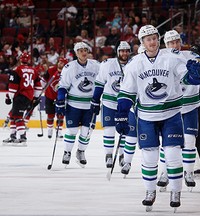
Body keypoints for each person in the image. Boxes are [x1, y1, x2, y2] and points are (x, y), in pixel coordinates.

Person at [114, 25, 191, 211]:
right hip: (146, 116)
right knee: (150, 156)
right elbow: (127, 93)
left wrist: (194, 75)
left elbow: (186, 77)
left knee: (172, 154)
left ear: (159, 39)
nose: (152, 41)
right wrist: (121, 114)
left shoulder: (172, 58)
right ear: (142, 43)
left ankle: (175, 190)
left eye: (155, 38)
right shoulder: (135, 64)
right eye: (148, 39)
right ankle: (150, 191)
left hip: (171, 114)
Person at [157, 30, 200, 190]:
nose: (174, 45)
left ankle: (188, 172)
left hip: (190, 106)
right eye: (170, 42)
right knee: (168, 143)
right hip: (171, 108)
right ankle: (164, 172)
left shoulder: (190, 55)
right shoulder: (161, 58)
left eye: (176, 41)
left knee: (189, 140)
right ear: (165, 44)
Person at [56, 42, 100, 167]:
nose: (83, 52)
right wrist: (60, 100)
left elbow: (103, 81)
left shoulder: (96, 65)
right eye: (80, 50)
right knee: (72, 130)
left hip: (90, 105)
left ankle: (80, 152)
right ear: (76, 53)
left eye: (85, 49)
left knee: (87, 131)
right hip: (73, 104)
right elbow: (63, 86)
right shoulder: (69, 67)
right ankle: (67, 152)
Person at [90, 41, 132, 169]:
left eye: (127, 51)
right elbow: (99, 83)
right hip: (109, 101)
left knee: (124, 130)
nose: (124, 53)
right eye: (122, 51)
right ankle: (108, 155)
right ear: (118, 52)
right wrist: (95, 99)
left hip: (126, 104)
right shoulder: (107, 64)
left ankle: (121, 155)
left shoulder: (134, 64)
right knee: (109, 129)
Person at [3, 52, 42, 145]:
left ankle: (22, 138)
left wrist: (9, 97)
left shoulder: (16, 70)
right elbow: (38, 87)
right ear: (28, 60)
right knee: (13, 115)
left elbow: (13, 87)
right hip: (28, 97)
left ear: (20, 59)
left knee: (17, 117)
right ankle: (13, 136)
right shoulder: (34, 70)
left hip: (20, 96)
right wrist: (36, 98)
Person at [43, 57, 68, 139]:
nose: (60, 64)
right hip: (49, 96)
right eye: (60, 62)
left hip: (60, 98)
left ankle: (59, 130)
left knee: (60, 115)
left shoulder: (67, 73)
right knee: (50, 115)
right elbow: (44, 79)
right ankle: (49, 130)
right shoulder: (51, 70)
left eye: (62, 63)